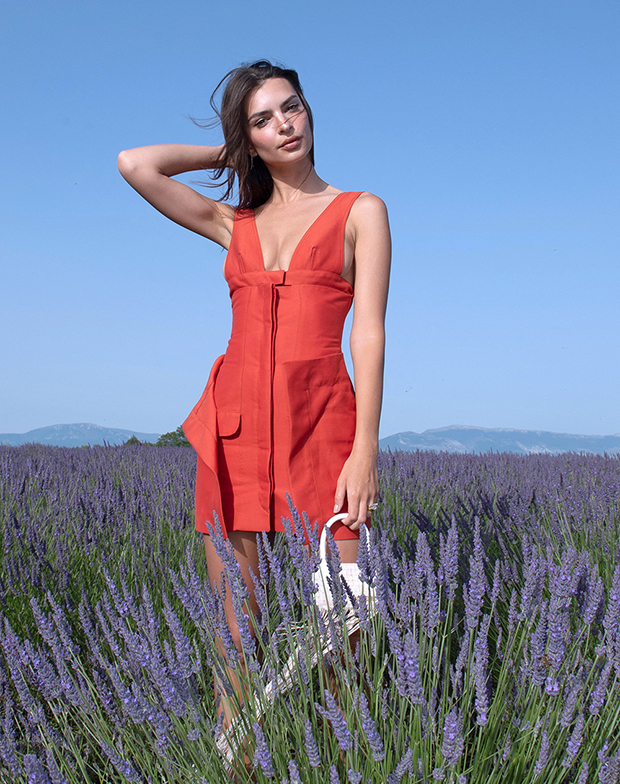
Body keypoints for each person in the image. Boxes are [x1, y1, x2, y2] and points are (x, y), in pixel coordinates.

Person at [118, 58, 390, 756]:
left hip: (323, 432)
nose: (284, 125)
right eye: (262, 120)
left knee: (345, 625)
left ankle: (342, 760)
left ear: (310, 110)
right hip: (235, 434)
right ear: (250, 140)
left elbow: (368, 332)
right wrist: (231, 149)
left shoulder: (361, 211)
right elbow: (135, 164)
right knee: (234, 629)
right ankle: (235, 765)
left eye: (291, 108)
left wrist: (365, 452)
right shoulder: (230, 222)